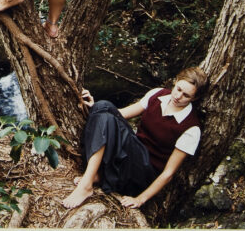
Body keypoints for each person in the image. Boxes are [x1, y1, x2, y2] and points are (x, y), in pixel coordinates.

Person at [62, 67, 209, 210]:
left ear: (195, 98)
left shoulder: (191, 128)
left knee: (105, 114)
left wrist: (140, 199)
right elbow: (120, 114)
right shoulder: (158, 94)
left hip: (143, 171)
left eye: (186, 95)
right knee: (103, 105)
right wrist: (94, 108)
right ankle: (96, 175)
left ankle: (87, 184)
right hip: (131, 151)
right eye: (178, 89)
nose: (178, 96)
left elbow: (168, 173)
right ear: (176, 81)